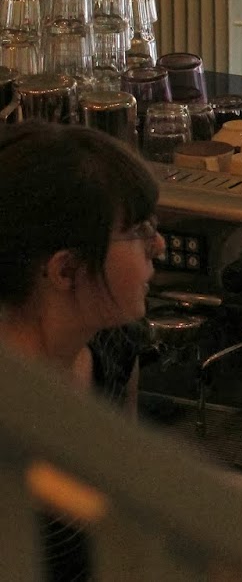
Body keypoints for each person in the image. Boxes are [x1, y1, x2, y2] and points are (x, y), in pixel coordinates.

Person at [0, 122, 164, 582]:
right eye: (138, 231)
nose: (159, 245)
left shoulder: (115, 347)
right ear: (66, 270)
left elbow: (127, 518)